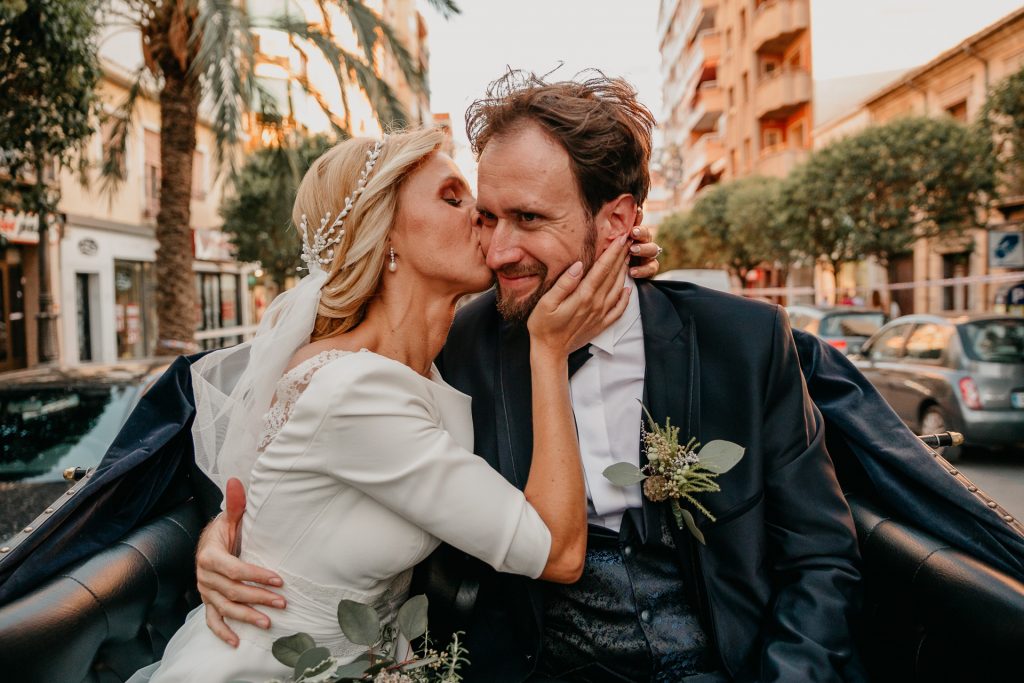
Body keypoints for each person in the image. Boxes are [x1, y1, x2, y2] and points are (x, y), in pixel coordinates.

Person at [197, 72, 864, 682]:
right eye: (486, 215)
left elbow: (819, 557)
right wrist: (222, 537)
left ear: (618, 221)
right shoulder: (448, 350)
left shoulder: (740, 342)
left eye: (529, 218)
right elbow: (290, 437)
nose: (496, 248)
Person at [128, 127, 635, 682]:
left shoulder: (412, 364)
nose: (483, 216)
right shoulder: (354, 389)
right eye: (452, 198)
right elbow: (557, 553)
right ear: (385, 231)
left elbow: (270, 500)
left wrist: (606, 252)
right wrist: (549, 352)